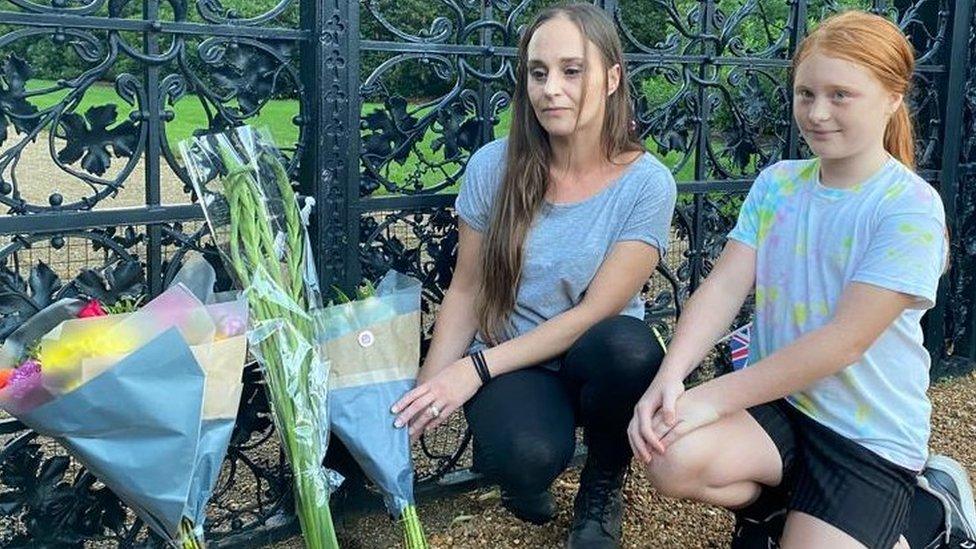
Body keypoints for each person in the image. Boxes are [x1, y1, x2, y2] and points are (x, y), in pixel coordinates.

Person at [627, 10, 976, 549]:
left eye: (841, 95)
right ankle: (781, 512)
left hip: (867, 437)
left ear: (891, 97)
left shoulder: (908, 208)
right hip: (783, 404)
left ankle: (929, 513)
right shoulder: (778, 185)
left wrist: (712, 398)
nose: (816, 112)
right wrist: (671, 379)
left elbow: (844, 342)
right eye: (805, 93)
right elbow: (722, 288)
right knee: (670, 456)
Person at [390, 3, 677, 547]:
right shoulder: (493, 168)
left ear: (612, 78)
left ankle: (603, 480)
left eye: (572, 71)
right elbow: (468, 289)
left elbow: (596, 312)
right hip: (516, 358)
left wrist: (472, 370)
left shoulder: (646, 184)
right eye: (538, 72)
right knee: (524, 457)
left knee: (632, 350)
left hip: (595, 352)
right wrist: (428, 389)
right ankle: (526, 470)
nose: (551, 89)